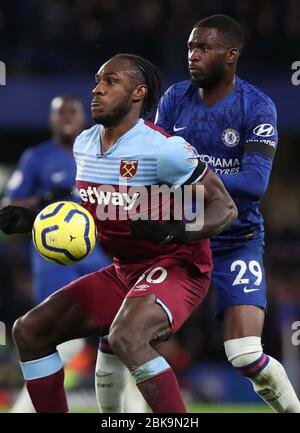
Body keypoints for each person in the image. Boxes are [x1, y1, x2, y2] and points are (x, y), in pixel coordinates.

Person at [0, 53, 237, 413]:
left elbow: (225, 208)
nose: (97, 90)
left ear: (138, 93)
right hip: (124, 271)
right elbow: (98, 210)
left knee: (126, 335)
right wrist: (34, 218)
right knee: (29, 331)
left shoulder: (164, 149)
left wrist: (176, 231)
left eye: (111, 82)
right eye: (97, 81)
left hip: (178, 266)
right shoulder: (84, 145)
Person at [154, 15, 300, 412]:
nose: (192, 55)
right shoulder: (174, 99)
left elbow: (254, 183)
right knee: (125, 337)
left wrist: (191, 172)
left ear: (231, 55)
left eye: (203, 47)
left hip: (236, 240)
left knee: (245, 354)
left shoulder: (256, 106)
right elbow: (153, 165)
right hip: (181, 240)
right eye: (189, 47)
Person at [3, 95, 112, 412]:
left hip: (95, 253)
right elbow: (10, 209)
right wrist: (45, 200)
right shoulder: (36, 157)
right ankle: (24, 408)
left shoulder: (99, 154)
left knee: (124, 329)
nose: (66, 116)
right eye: (59, 112)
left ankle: (130, 410)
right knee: (61, 339)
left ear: (83, 118)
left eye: (72, 111)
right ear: (51, 120)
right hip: (52, 257)